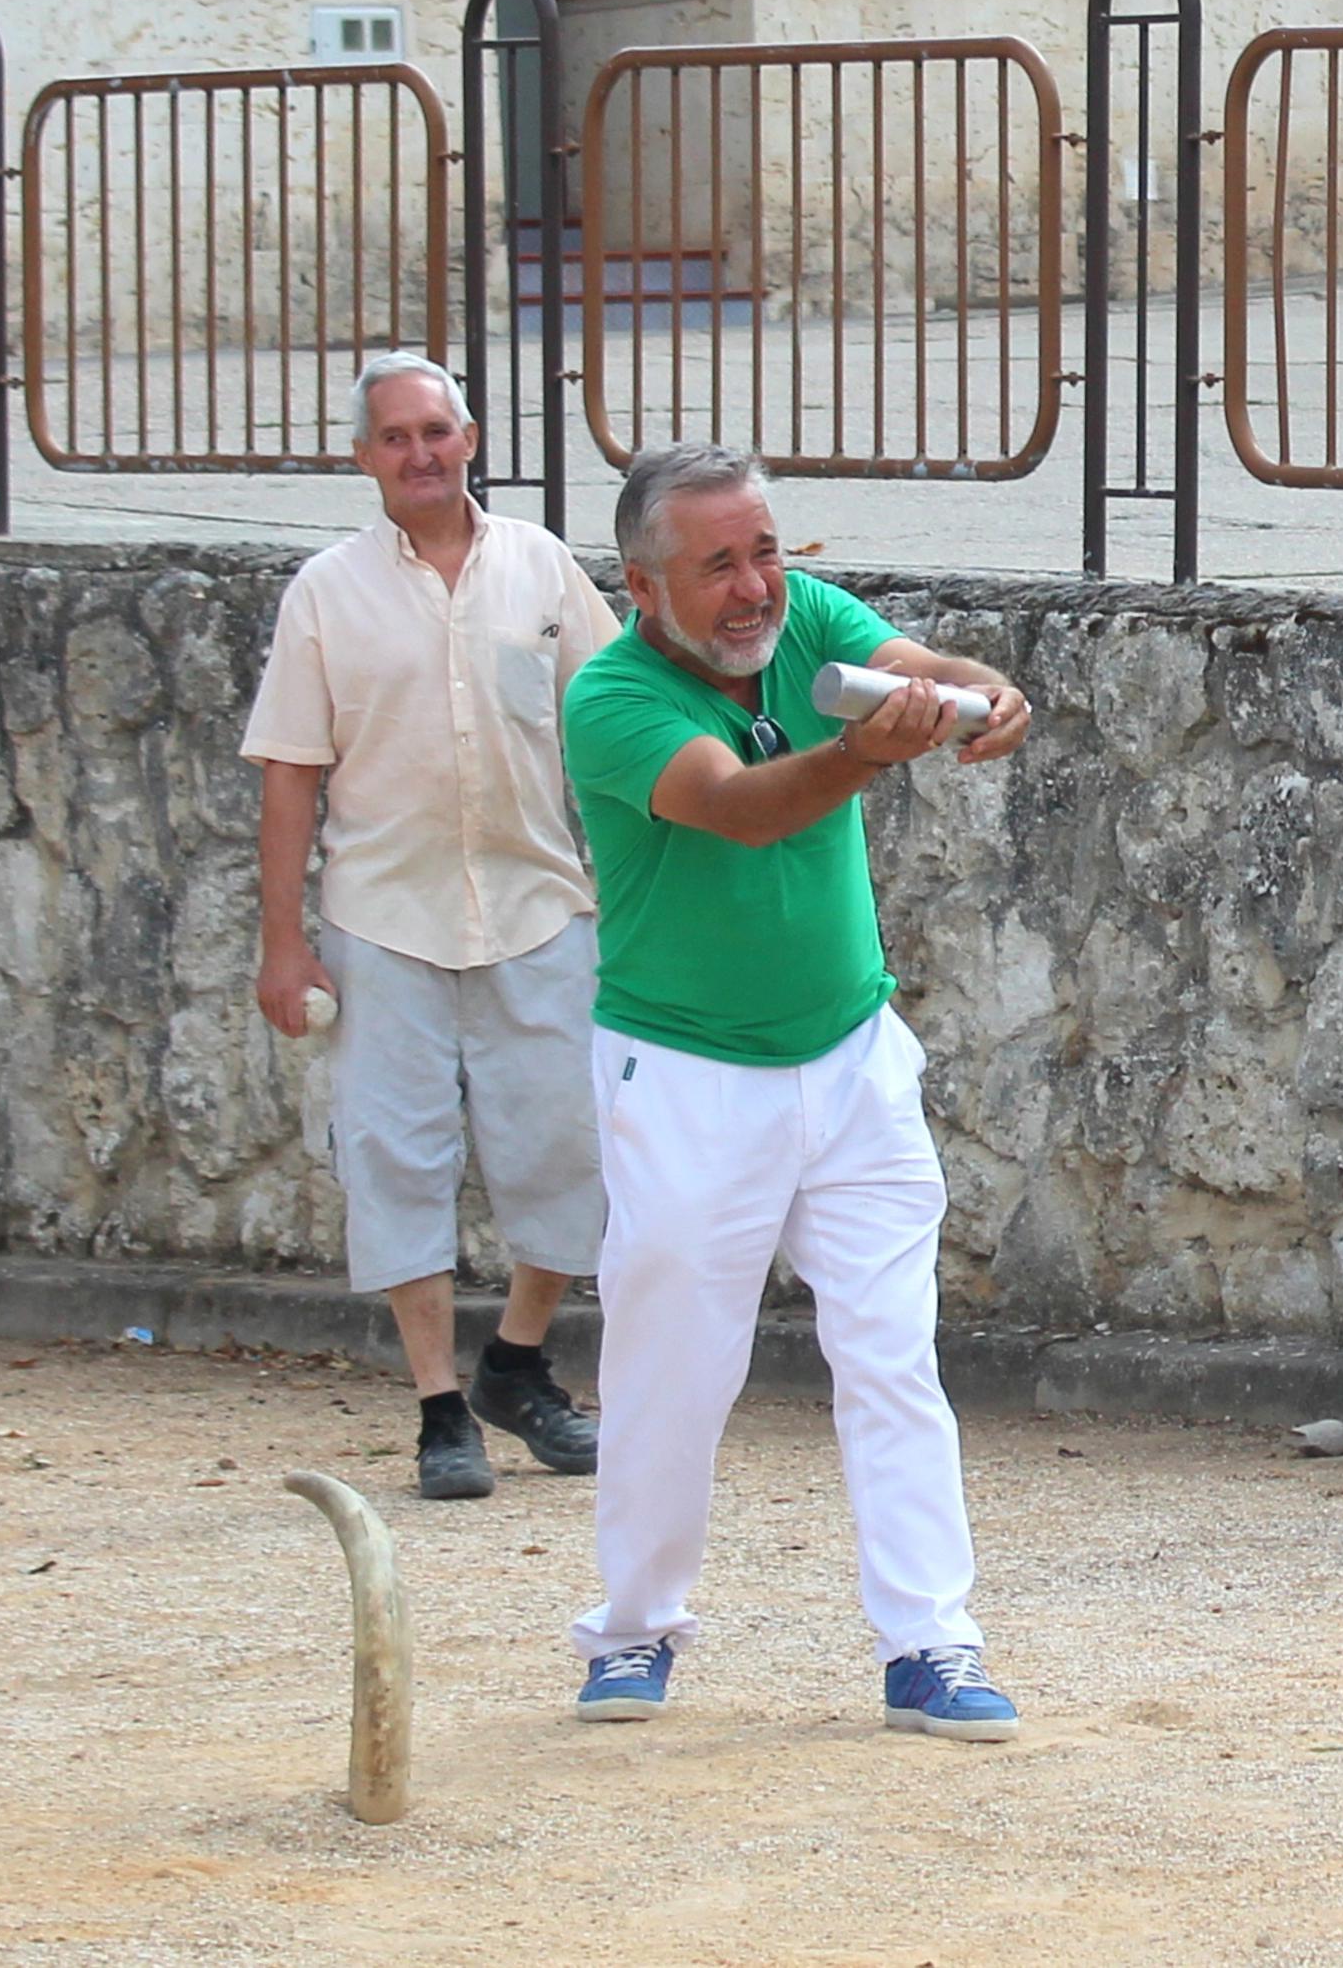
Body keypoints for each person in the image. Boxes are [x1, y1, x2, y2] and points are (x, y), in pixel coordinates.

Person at [559, 440, 1034, 1740]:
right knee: (673, 1369)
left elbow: (936, 674)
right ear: (640, 586)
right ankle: (631, 1629)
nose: (752, 585)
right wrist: (868, 755)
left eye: (762, 549)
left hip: (849, 1054)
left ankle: (930, 1644)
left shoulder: (809, 621)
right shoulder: (606, 699)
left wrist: (989, 700)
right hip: (685, 1078)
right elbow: (739, 804)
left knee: (892, 1354)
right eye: (714, 563)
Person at [242, 353, 623, 1500]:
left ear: (469, 437)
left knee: (570, 1144)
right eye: (394, 437)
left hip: (536, 901)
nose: (420, 453)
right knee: (396, 1158)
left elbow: (610, 724)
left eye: (436, 431)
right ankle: (437, 1407)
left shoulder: (540, 568)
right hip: (383, 915)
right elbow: (289, 777)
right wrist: (282, 940)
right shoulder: (324, 591)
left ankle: (515, 1358)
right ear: (364, 458)